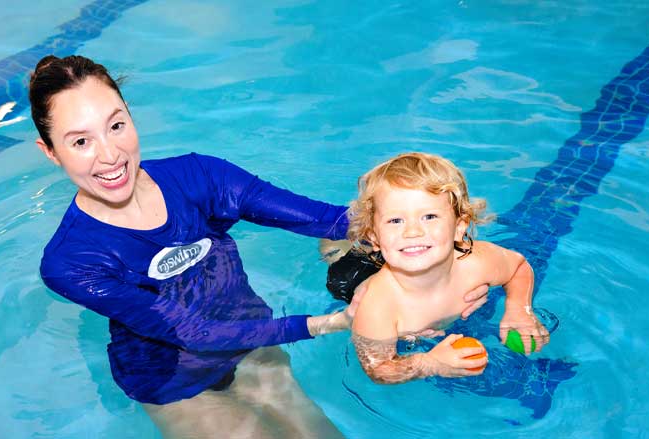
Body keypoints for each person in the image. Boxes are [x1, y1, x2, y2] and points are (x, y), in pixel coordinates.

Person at [28, 55, 488, 438]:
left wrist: (450, 262)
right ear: (50, 151)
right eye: (81, 141)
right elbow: (195, 334)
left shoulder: (199, 177)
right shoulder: (71, 261)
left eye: (116, 125)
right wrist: (334, 322)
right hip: (176, 383)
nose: (109, 155)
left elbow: (331, 220)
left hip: (256, 343)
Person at [342, 152, 550, 384]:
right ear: (375, 237)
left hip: (401, 262)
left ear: (459, 227)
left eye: (429, 216)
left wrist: (519, 310)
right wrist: (429, 363)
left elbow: (518, 266)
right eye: (395, 221)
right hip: (352, 280)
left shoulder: (474, 262)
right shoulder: (379, 306)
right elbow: (378, 369)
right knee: (342, 269)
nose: (412, 232)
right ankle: (334, 245)